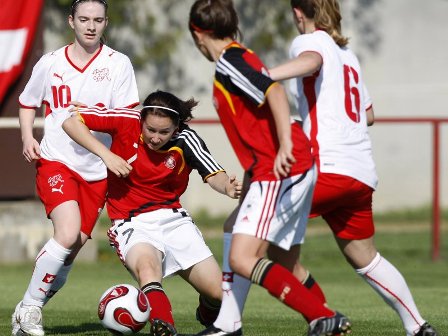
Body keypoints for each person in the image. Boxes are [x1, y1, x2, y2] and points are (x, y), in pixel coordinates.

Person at [268, 1, 438, 336]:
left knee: (251, 243)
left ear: (298, 13)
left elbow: (310, 61)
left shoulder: (309, 42)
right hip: (359, 173)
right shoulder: (349, 57)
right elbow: (368, 114)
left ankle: (228, 324)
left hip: (323, 168)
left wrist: (262, 76)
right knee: (366, 258)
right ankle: (417, 326)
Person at [189, 1, 352, 336]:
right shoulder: (236, 56)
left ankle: (321, 318)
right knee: (277, 256)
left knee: (242, 259)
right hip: (276, 169)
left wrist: (286, 146)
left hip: (280, 169)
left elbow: (274, 92)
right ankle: (230, 324)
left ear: (198, 34)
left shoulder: (230, 63)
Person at [62, 90, 243, 336]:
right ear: (142, 120)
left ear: (177, 127)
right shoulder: (126, 119)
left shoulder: (187, 140)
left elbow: (214, 174)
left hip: (173, 220)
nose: (156, 138)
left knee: (219, 293)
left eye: (164, 132)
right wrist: (107, 155)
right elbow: (71, 121)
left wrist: (228, 187)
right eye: (150, 130)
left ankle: (208, 310)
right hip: (130, 223)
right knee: (148, 268)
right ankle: (163, 326)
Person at [12, 1, 139, 335]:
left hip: (98, 170)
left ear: (106, 23)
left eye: (98, 20)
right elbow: (28, 102)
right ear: (71, 21)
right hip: (57, 160)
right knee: (66, 233)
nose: (91, 26)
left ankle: (27, 308)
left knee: (71, 250)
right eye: (84, 19)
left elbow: (127, 118)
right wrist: (27, 137)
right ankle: (31, 310)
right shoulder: (51, 62)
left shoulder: (118, 64)